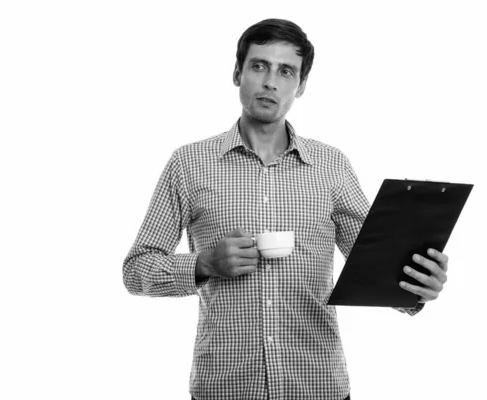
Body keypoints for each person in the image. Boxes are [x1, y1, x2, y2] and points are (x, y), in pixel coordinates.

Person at [122, 18, 449, 400]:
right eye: (259, 66)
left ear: (302, 85)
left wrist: (418, 288)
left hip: (318, 384)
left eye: (286, 71)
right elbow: (136, 269)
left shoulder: (332, 166)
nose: (270, 82)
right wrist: (204, 263)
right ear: (237, 72)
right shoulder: (188, 164)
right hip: (225, 387)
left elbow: (377, 265)